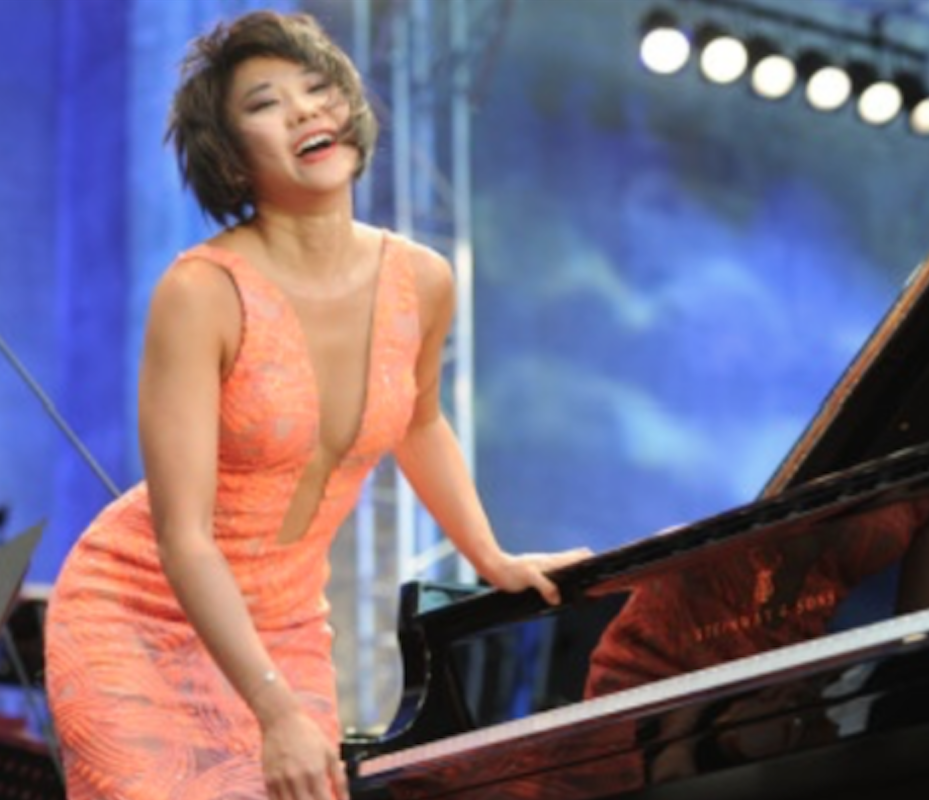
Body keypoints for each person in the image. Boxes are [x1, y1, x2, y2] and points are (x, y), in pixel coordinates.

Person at [43, 10, 591, 800]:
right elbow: (183, 537)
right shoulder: (201, 293)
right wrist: (274, 710)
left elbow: (420, 421)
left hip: (287, 622)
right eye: (265, 104)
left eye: (317, 87)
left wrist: (492, 558)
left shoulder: (423, 280)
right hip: (141, 613)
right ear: (231, 159)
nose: (304, 110)